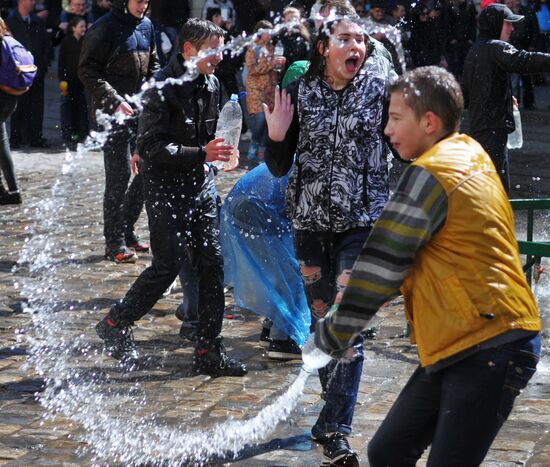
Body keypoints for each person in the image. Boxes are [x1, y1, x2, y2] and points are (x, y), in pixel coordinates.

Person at [310, 65, 542, 467]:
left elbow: (381, 264)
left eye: (396, 118)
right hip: (466, 339)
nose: (386, 128)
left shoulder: (431, 173)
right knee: (387, 450)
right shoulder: (469, 150)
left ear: (430, 122)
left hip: (489, 341)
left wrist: (331, 333)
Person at [264, 5, 396, 465]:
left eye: (360, 40)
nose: (355, 47)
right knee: (325, 325)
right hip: (310, 225)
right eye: (345, 39)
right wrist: (277, 136)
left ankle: (336, 428)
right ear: (323, 48)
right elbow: (278, 165)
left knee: (347, 322)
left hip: (362, 223)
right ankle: (330, 419)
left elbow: (406, 141)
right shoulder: (301, 91)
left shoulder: (381, 90)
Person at [95, 18, 247, 378]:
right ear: (189, 49)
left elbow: (215, 138)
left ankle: (209, 349)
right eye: (212, 49)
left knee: (212, 265)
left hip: (201, 186)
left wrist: (224, 155)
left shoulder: (211, 83)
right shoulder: (162, 86)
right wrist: (201, 154)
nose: (219, 56)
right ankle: (116, 322)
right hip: (166, 188)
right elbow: (150, 147)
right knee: (166, 266)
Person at [78, 0, 159, 263]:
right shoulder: (103, 28)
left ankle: (127, 228)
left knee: (148, 169)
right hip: (109, 114)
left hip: (140, 112)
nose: (143, 6)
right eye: (138, 1)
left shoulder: (147, 26)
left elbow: (154, 65)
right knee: (119, 175)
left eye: (146, 1)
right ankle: (114, 242)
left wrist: (154, 94)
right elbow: (87, 70)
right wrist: (115, 100)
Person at [462, 3, 550, 194]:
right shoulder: (496, 48)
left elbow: (468, 94)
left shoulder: (475, 50)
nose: (512, 28)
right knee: (498, 189)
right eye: (507, 23)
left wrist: (499, 96)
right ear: (494, 24)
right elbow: (523, 60)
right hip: (493, 129)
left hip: (479, 128)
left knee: (484, 184)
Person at [7, 0, 51, 149]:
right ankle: (15, 137)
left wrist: (42, 65)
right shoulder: (10, 22)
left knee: (37, 105)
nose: (34, 2)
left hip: (36, 72)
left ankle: (35, 136)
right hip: (17, 74)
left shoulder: (37, 21)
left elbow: (46, 45)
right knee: (17, 106)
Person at [244, 20, 284, 162]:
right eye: (269, 31)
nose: (271, 34)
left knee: (268, 121)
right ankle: (254, 144)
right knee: (260, 118)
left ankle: (262, 151)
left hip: (270, 89)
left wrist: (279, 65)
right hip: (255, 88)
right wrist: (270, 64)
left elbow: (275, 69)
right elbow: (251, 69)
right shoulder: (252, 48)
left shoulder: (272, 47)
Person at [0, 17, 22, 205]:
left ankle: (8, 191)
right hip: (9, 99)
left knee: (2, 145)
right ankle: (12, 190)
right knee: (2, 145)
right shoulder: (8, 39)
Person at [58, 16, 88, 150]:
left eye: (84, 26)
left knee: (80, 110)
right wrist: (62, 79)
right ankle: (68, 136)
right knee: (67, 109)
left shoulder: (86, 42)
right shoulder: (66, 42)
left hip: (81, 82)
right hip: (68, 82)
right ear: (73, 28)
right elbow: (61, 62)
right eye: (81, 26)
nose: (84, 29)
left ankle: (79, 136)